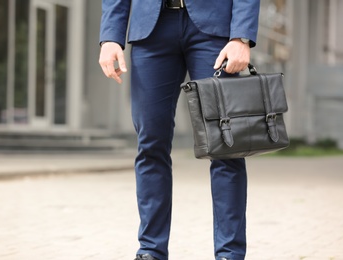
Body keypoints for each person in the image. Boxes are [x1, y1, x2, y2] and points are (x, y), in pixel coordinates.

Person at [99, 0, 260, 259]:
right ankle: (151, 250)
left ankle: (229, 253)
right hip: (151, 32)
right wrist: (110, 36)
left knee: (225, 145)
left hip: (213, 31)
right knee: (150, 145)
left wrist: (242, 35)